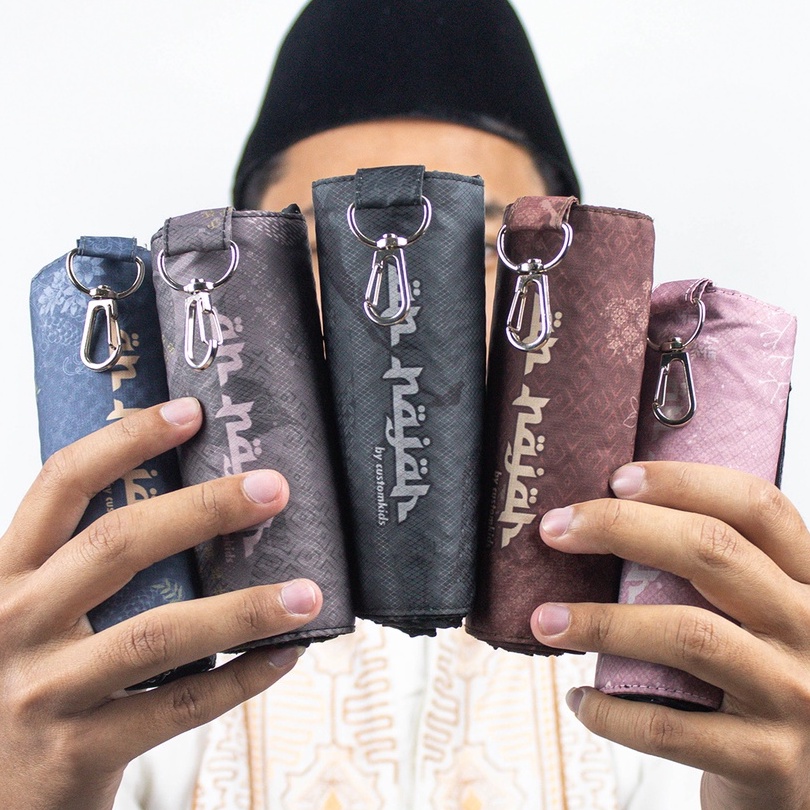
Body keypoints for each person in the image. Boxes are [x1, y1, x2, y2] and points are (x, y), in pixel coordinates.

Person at [2, 2, 808, 808]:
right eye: (328, 252)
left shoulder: (679, 617)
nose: (398, 319)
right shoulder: (89, 628)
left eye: (475, 250)